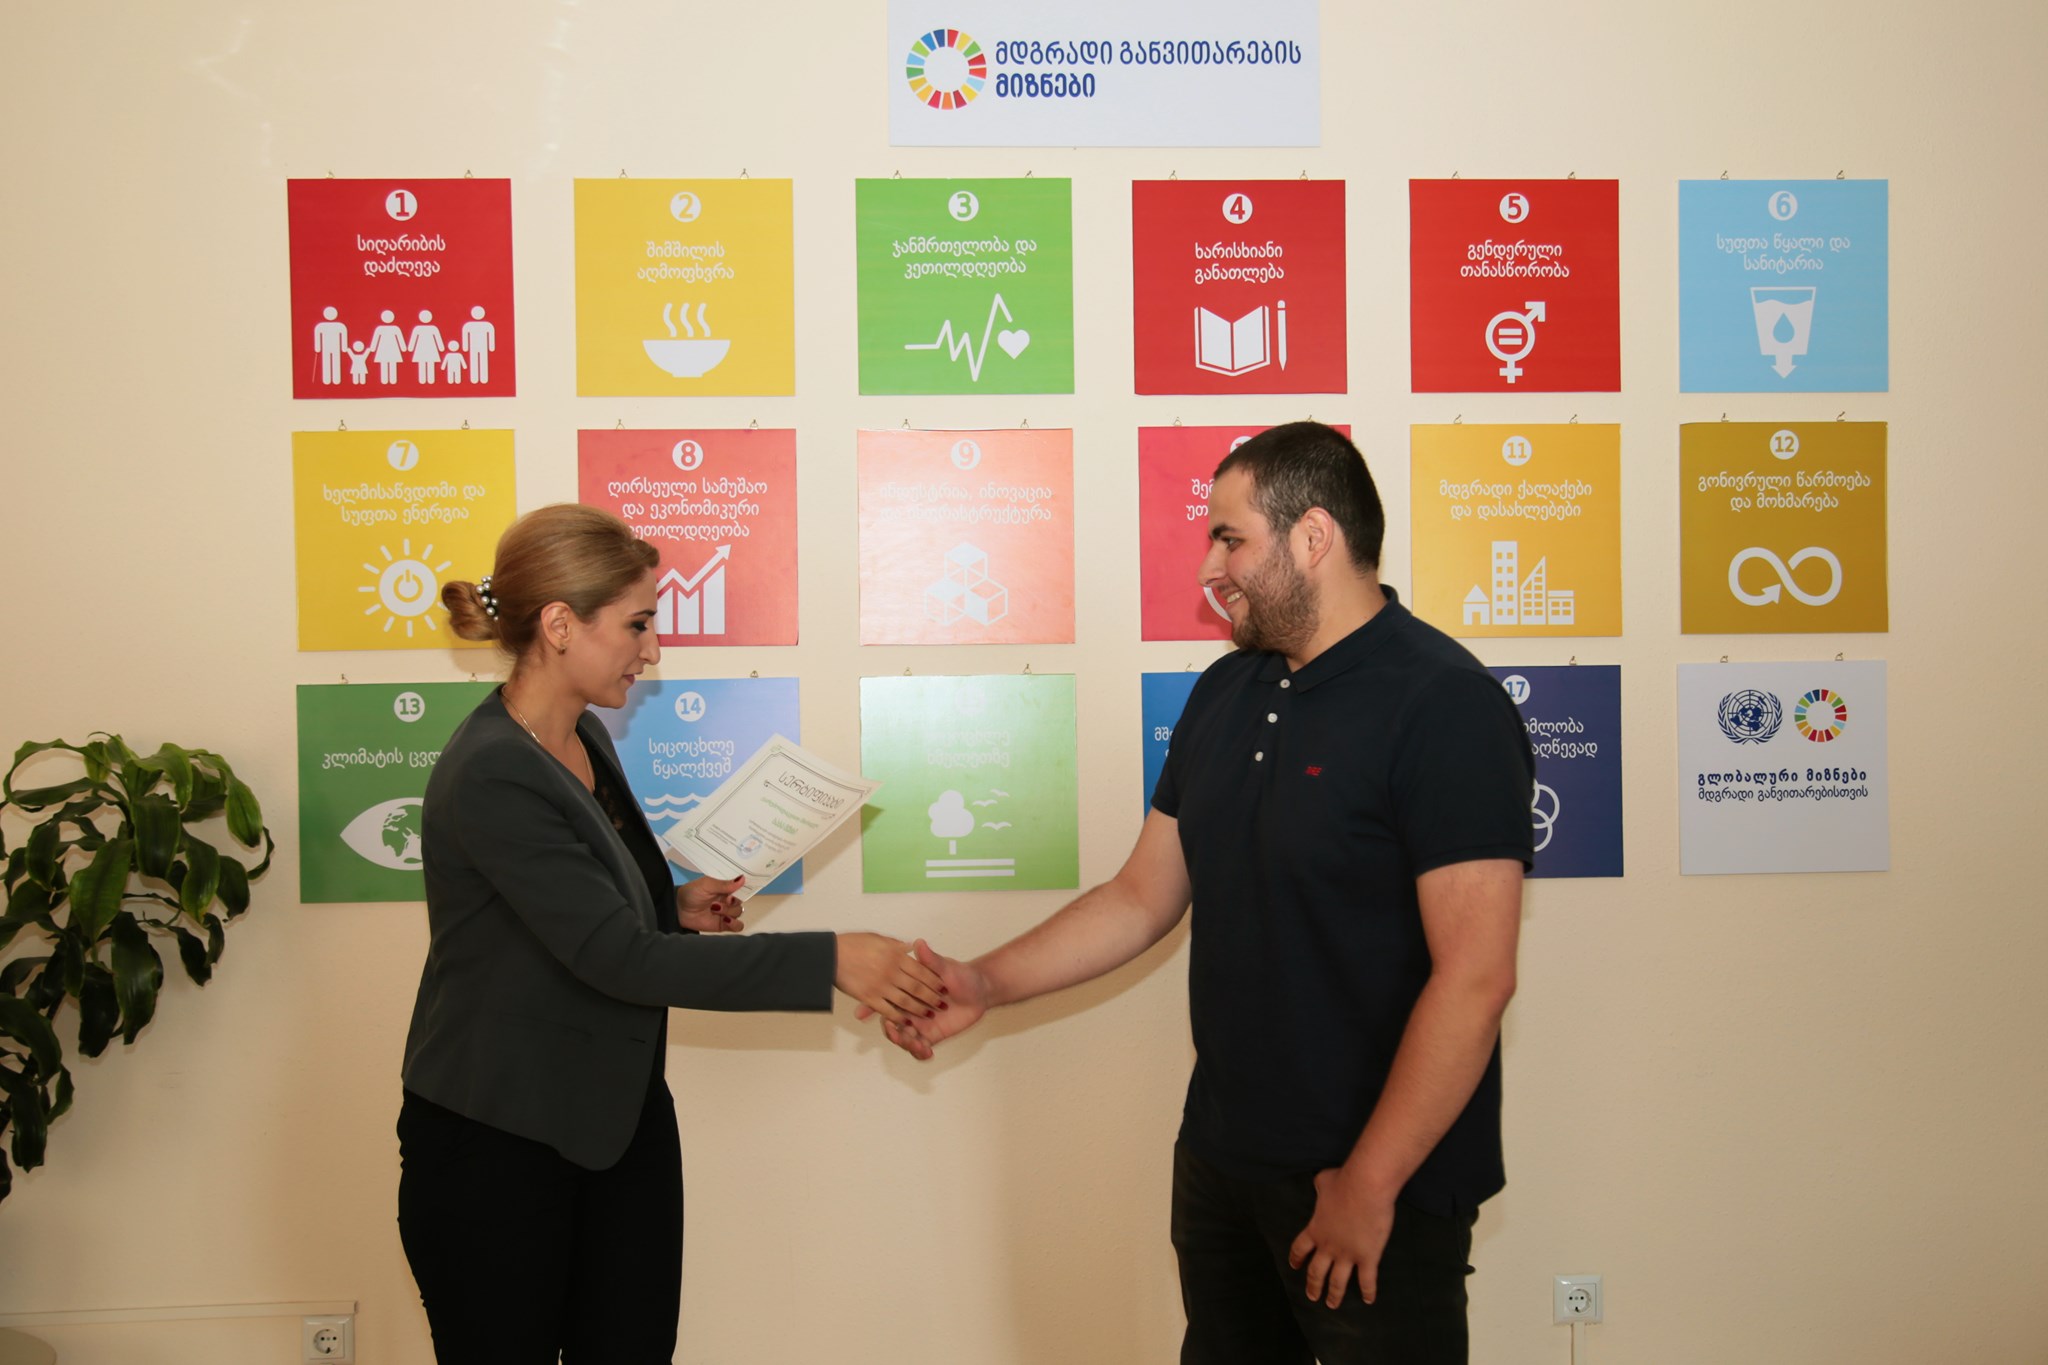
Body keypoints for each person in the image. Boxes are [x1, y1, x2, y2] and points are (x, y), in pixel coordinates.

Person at [883, 422, 1535, 1364]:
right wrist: (984, 981)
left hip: (1373, 1187)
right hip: (1224, 1164)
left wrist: (1368, 1182)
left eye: (1230, 538)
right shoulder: (1227, 691)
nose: (1208, 568)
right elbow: (1140, 896)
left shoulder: (1443, 704)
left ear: (1314, 536)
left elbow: (1476, 977)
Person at [398, 503, 945, 1364]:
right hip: (498, 1143)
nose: (653, 650)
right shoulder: (493, 769)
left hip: (617, 1123)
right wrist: (834, 958)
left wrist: (673, 904)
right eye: (638, 624)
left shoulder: (579, 734)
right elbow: (617, 959)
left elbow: (584, 905)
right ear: (559, 625)